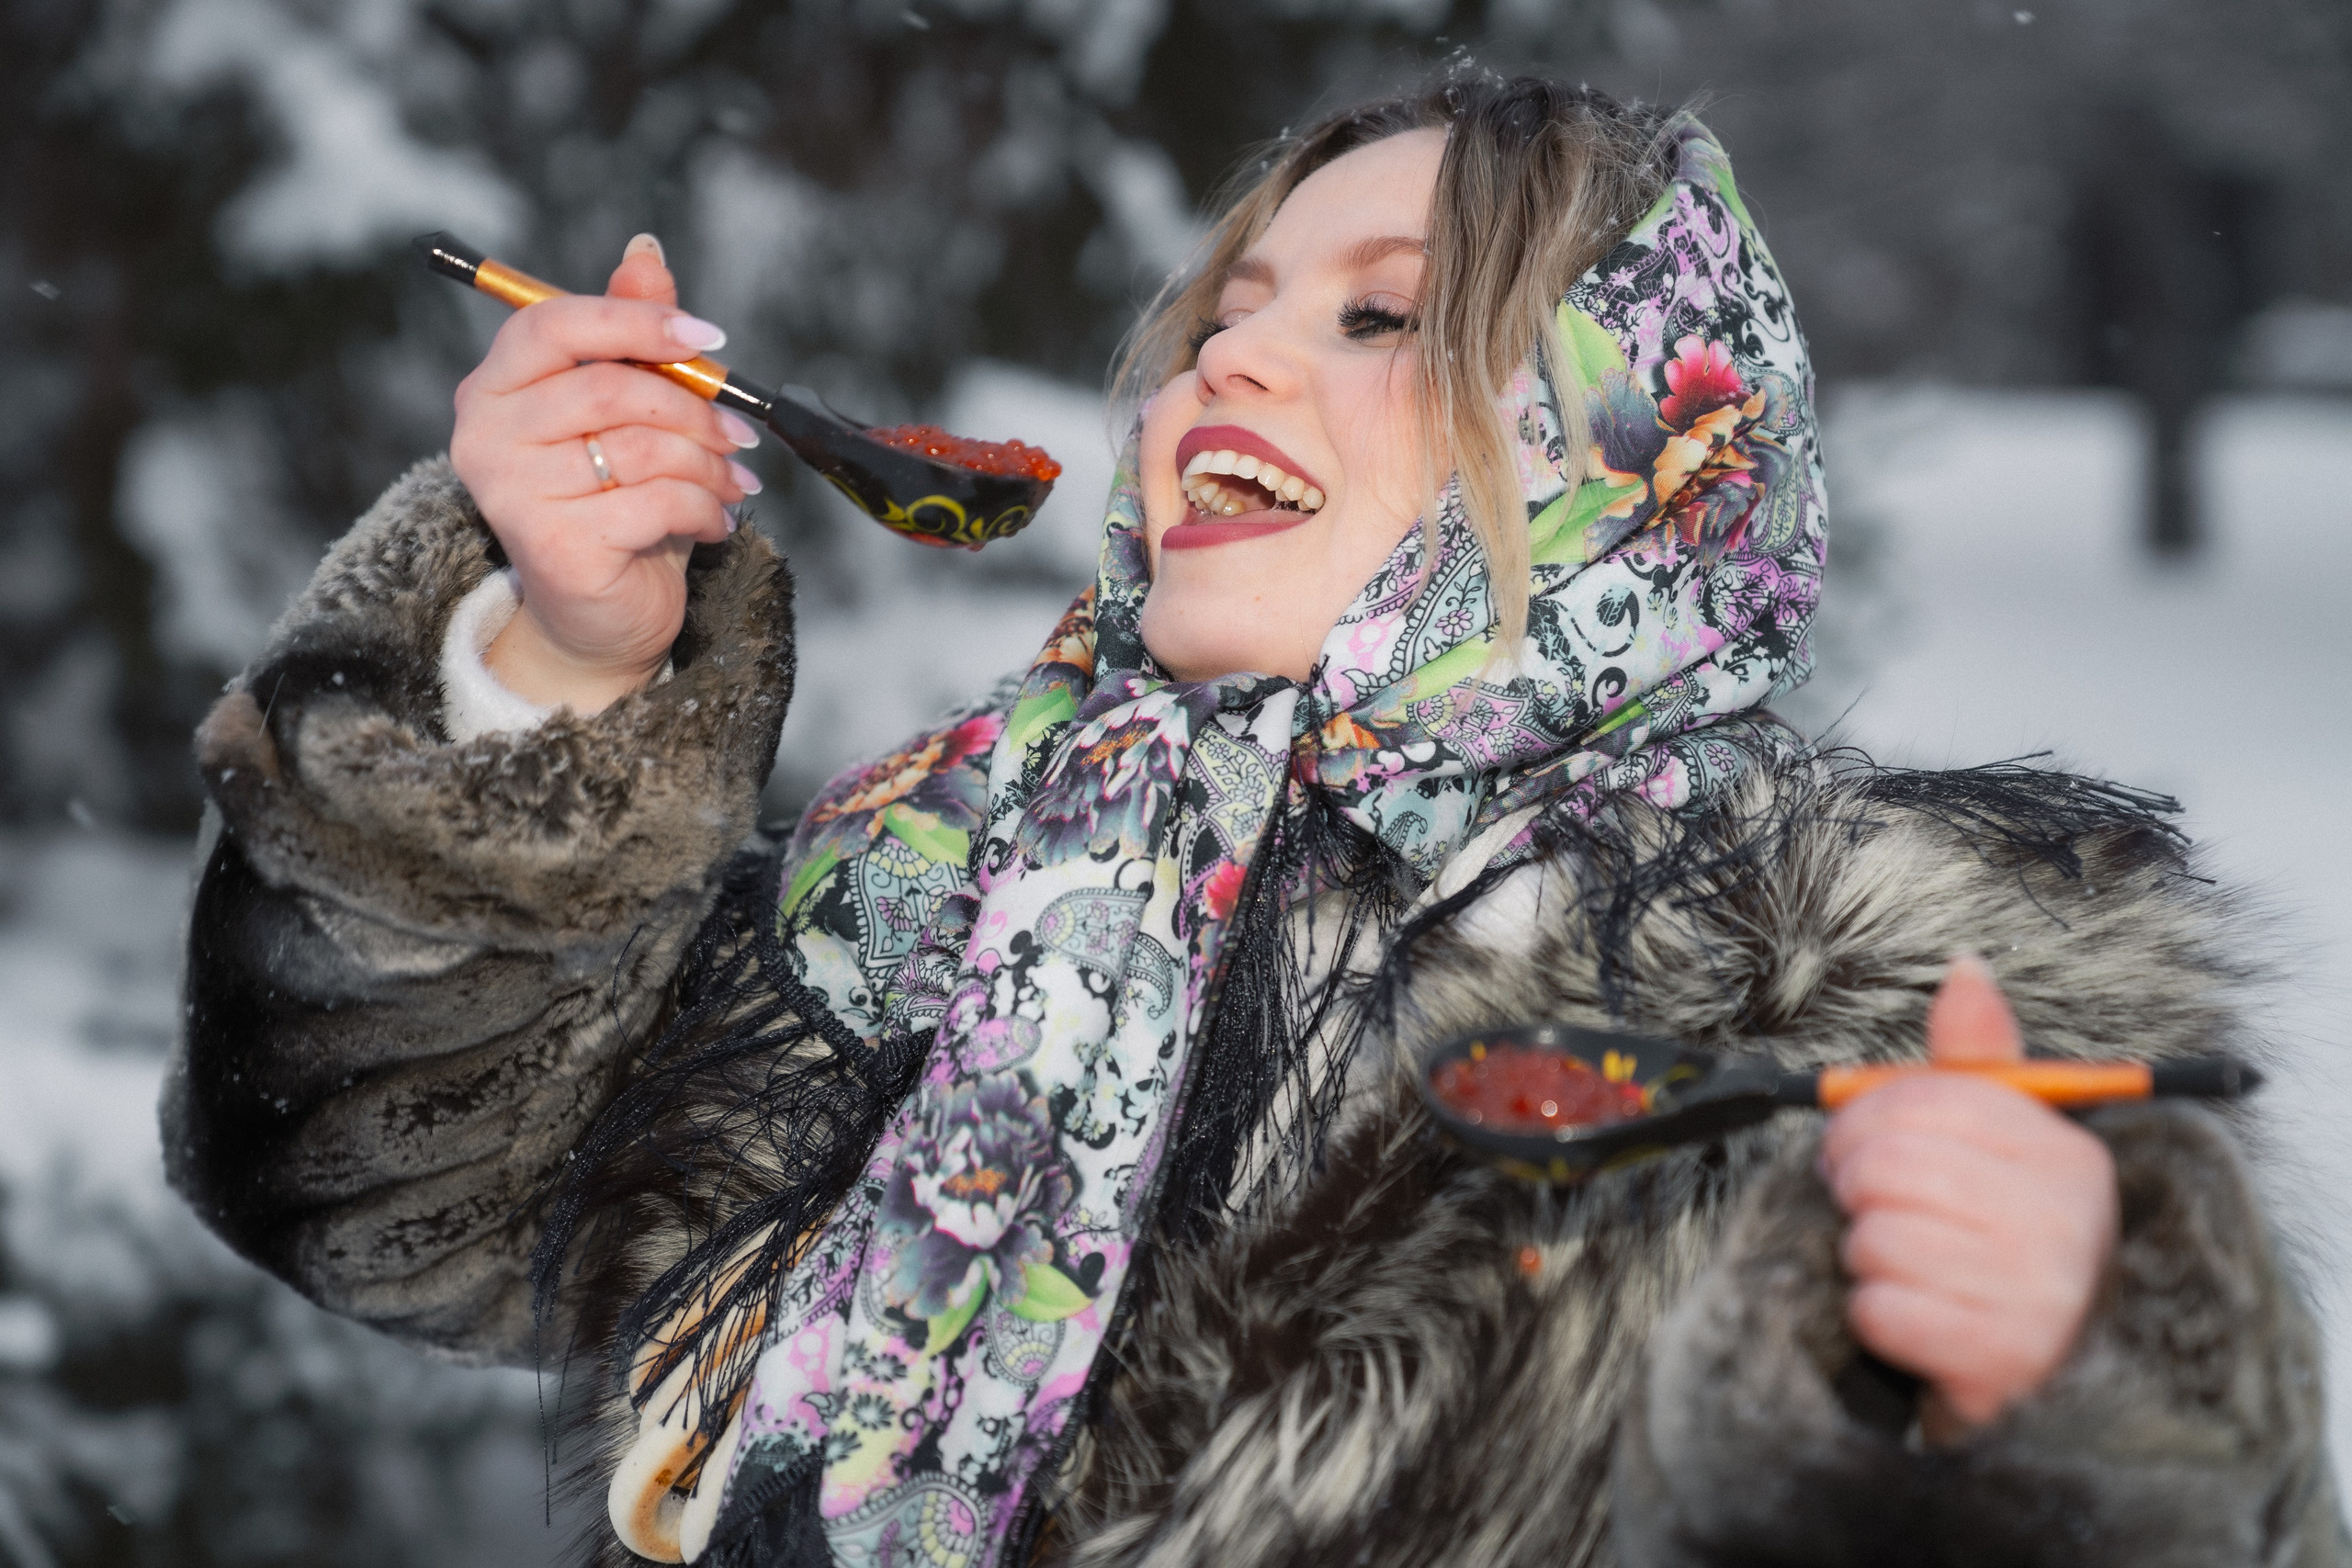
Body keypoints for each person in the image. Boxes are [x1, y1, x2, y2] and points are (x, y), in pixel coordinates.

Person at [163, 72, 2344, 1568]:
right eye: (1223, 315)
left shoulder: (1839, 980)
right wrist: (540, 677)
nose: (1229, 364)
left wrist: (2035, 1392)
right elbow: (384, 1196)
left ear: (1642, 449)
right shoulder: (953, 883)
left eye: (1382, 315)